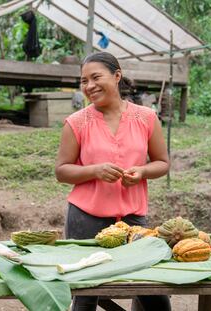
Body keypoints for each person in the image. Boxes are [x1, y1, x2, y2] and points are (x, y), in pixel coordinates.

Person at [55, 52, 170, 311]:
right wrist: (94, 170)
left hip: (133, 219)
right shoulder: (76, 122)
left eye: (96, 77)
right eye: (84, 81)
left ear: (117, 75)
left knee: (153, 287)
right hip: (86, 218)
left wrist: (142, 172)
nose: (89, 86)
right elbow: (62, 171)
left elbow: (162, 162)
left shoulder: (146, 118)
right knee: (87, 293)